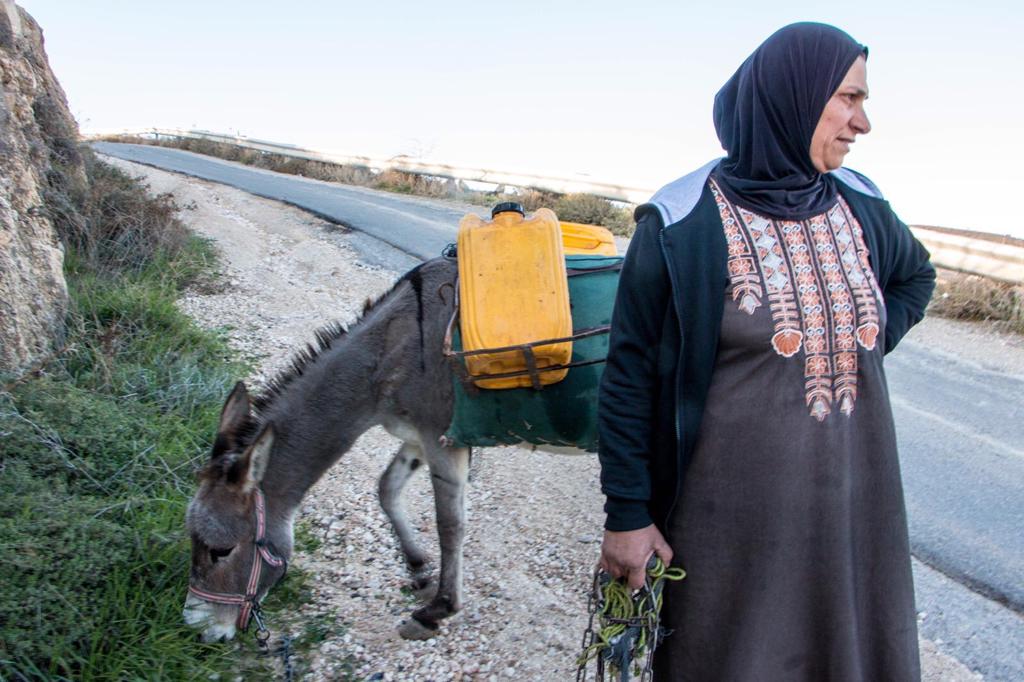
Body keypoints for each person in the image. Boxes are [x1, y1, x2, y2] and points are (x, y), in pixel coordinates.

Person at [596, 22, 935, 681]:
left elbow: (915, 277)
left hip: (856, 511)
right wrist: (628, 515)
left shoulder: (860, 205)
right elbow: (629, 378)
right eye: (848, 98)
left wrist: (858, 343)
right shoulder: (682, 222)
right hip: (734, 531)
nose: (861, 122)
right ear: (794, 95)